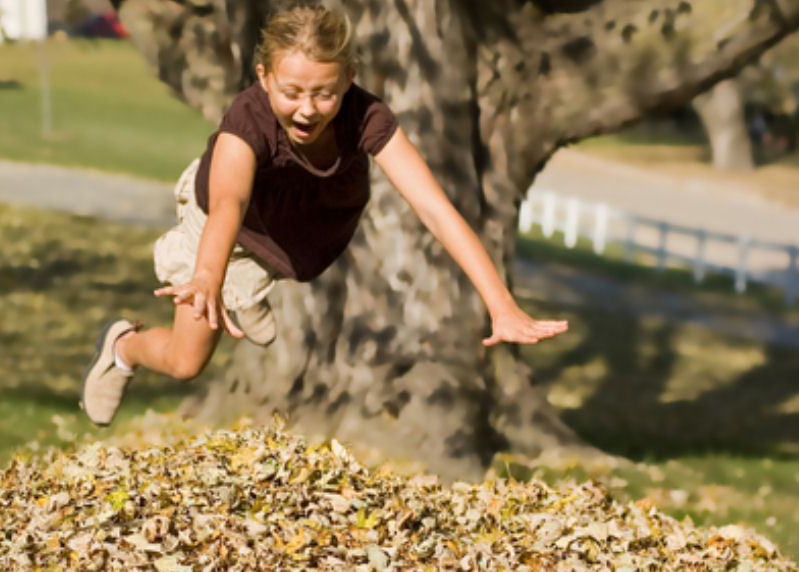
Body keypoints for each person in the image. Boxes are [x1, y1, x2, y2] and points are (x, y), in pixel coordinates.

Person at [80, 3, 568, 426]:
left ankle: (248, 289)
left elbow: (434, 208)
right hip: (224, 233)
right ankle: (122, 347)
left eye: (325, 93)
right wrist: (210, 276)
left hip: (292, 232)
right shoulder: (246, 122)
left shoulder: (366, 116)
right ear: (263, 76)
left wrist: (500, 303)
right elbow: (231, 204)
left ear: (348, 79)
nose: (308, 109)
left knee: (272, 261)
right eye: (292, 92)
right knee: (186, 362)